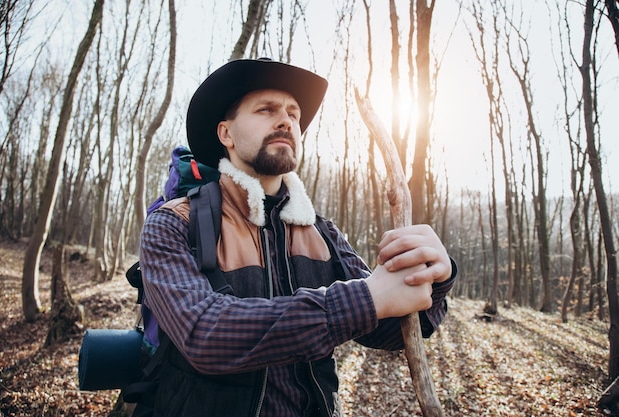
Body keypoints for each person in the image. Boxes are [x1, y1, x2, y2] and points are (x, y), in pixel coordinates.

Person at [139, 58, 457, 417]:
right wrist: (364, 298)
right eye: (266, 110)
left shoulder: (321, 232)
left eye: (294, 113)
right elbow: (204, 334)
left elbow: (386, 330)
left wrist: (433, 278)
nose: (286, 120)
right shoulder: (175, 223)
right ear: (225, 134)